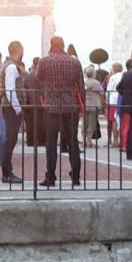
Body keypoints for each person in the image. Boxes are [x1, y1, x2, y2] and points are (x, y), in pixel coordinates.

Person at [38, 37, 85, 187]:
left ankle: (50, 176)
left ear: (51, 46)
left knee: (51, 143)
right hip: (70, 105)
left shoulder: (45, 61)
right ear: (64, 46)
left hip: (52, 105)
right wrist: (81, 105)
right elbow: (81, 85)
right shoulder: (74, 62)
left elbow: (39, 79)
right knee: (72, 142)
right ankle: (76, 176)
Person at [0, 41, 26, 183]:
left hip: (8, 106)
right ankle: (7, 172)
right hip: (11, 108)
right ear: (19, 50)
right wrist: (17, 108)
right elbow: (10, 89)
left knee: (11, 139)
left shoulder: (8, 65)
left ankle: (7, 171)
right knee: (10, 139)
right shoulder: (12, 67)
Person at [83, 65, 105, 150]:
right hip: (93, 104)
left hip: (85, 104)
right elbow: (102, 93)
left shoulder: (83, 82)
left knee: (85, 122)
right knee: (92, 123)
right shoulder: (96, 83)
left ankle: (85, 140)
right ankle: (89, 141)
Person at [105, 62, 124, 148]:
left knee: (114, 121)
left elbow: (109, 89)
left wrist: (106, 101)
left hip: (113, 100)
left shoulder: (112, 77)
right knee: (121, 120)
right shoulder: (124, 75)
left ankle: (115, 140)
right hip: (122, 99)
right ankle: (121, 139)